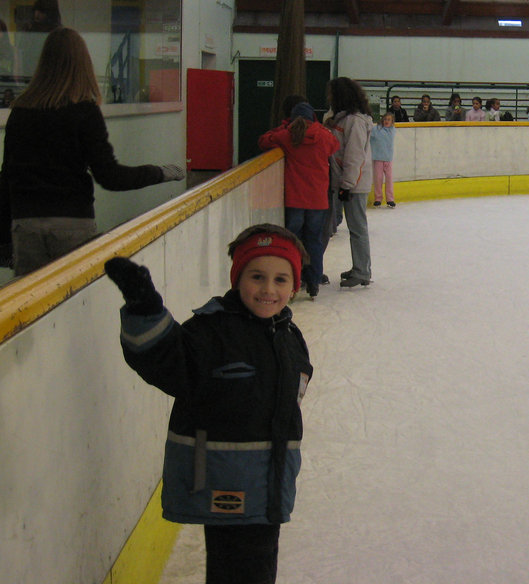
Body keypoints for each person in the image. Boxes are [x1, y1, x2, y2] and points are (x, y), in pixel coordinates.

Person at [103, 223, 313, 584]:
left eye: (281, 280)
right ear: (237, 278)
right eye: (257, 276)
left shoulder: (287, 334)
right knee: (240, 570)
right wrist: (144, 305)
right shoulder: (212, 330)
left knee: (257, 569)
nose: (268, 289)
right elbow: (168, 361)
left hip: (269, 483)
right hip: (226, 484)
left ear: (294, 286)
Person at [0, 27, 183, 277]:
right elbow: (110, 177)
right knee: (77, 304)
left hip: (26, 226)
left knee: (32, 308)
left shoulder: (20, 113)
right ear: (83, 65)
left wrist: (0, 240)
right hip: (73, 224)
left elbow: (7, 179)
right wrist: (161, 173)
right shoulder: (85, 112)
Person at [258, 100, 339, 299]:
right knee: (314, 240)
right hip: (317, 199)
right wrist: (319, 126)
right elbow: (334, 146)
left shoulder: (288, 135)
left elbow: (264, 140)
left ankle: (293, 279)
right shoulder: (323, 135)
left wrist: (284, 127)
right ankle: (313, 282)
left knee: (292, 240)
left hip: (294, 198)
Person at [325, 76, 373, 288]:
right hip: (345, 181)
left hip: (353, 184)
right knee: (354, 227)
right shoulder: (342, 119)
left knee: (357, 228)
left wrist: (347, 185)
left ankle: (362, 271)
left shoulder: (355, 121)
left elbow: (354, 156)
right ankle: (359, 268)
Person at [370, 112, 396, 208]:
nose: (386, 121)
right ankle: (378, 198)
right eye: (385, 119)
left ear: (392, 121)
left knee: (389, 179)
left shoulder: (392, 130)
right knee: (378, 179)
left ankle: (390, 199)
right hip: (378, 158)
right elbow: (370, 135)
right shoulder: (376, 129)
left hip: (388, 159)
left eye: (389, 120)